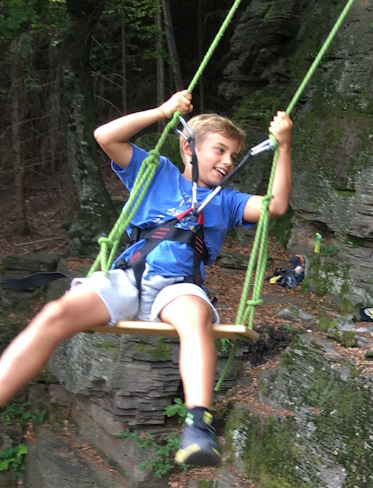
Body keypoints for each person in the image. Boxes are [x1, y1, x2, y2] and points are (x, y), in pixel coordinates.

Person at [0, 90, 293, 467]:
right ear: (189, 148)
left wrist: (283, 147)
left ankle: (197, 426)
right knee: (55, 315)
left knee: (195, 317)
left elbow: (276, 205)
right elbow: (106, 136)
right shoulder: (155, 172)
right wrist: (162, 111)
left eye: (233, 155)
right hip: (130, 275)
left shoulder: (228, 200)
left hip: (177, 286)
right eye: (219, 150)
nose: (227, 160)